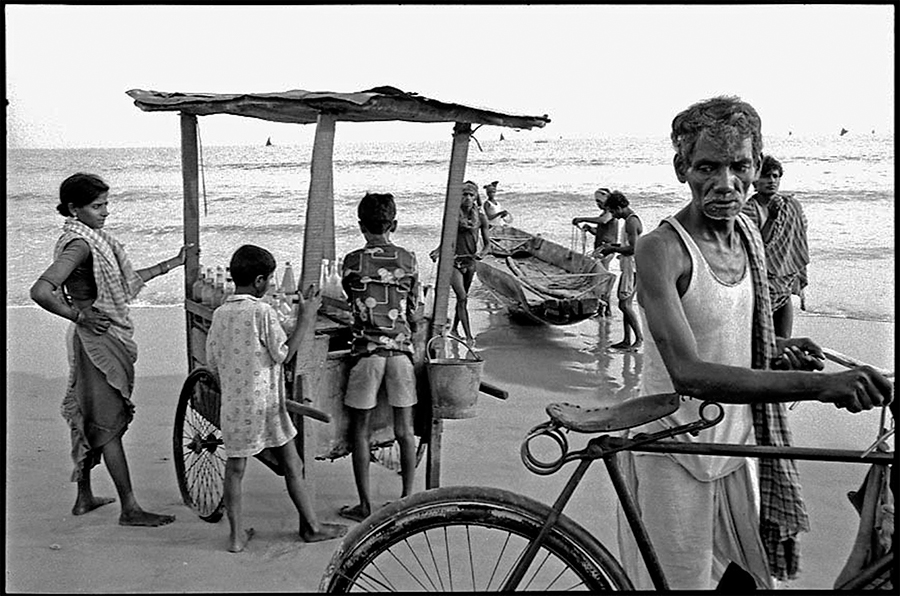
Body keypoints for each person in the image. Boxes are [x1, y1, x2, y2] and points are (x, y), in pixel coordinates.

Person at [616, 96, 892, 591]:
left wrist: (781, 345)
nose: (725, 184)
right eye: (707, 167)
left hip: (738, 444)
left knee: (754, 580)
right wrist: (820, 386)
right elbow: (691, 373)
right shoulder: (661, 249)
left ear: (757, 165)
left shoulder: (747, 231)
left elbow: (739, 328)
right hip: (676, 447)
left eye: (739, 166)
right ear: (682, 167)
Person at [30, 172, 186, 527]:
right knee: (109, 423)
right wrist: (78, 316)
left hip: (93, 338)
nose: (105, 212)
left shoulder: (90, 239)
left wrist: (172, 264)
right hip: (97, 342)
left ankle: (84, 498)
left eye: (106, 204)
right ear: (74, 208)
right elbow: (40, 291)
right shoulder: (81, 245)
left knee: (88, 415)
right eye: (97, 206)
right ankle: (130, 508)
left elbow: (124, 282)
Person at [206, 244, 347, 552]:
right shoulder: (262, 312)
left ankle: (236, 537)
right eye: (269, 279)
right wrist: (307, 317)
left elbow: (212, 363)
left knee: (235, 469)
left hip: (233, 408)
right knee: (293, 464)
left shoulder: (219, 314)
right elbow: (283, 353)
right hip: (267, 406)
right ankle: (312, 526)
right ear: (259, 281)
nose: (271, 284)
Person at [339, 192, 422, 522]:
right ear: (395, 225)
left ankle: (365, 504)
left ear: (361, 227)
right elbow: (415, 312)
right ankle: (408, 499)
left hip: (367, 354)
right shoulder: (409, 260)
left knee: (359, 431)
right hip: (400, 354)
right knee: (405, 429)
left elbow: (351, 301)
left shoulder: (352, 263)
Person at [742, 154, 809, 338]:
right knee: (760, 342)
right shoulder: (748, 209)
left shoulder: (791, 205)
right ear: (755, 181)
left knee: (784, 342)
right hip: (760, 285)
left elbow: (799, 236)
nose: (771, 180)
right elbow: (755, 248)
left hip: (784, 283)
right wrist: (771, 218)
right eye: (765, 176)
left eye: (775, 176)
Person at [430, 180, 490, 347]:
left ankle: (456, 328)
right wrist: (437, 251)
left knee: (462, 299)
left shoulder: (481, 218)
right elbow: (446, 239)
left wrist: (482, 254)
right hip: (454, 261)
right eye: (465, 194)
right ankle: (469, 337)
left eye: (471, 195)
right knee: (462, 297)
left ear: (476, 197)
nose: (468, 198)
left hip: (470, 261)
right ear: (459, 197)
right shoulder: (452, 216)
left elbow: (487, 244)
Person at [597, 191, 643, 350]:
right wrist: (611, 247)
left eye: (614, 211)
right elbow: (628, 245)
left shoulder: (631, 222)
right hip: (630, 266)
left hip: (633, 268)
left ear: (619, 207)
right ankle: (626, 339)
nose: (613, 216)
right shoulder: (629, 221)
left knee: (624, 304)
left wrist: (612, 250)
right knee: (626, 304)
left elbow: (633, 249)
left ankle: (638, 339)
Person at [572, 187, 619, 315]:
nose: (598, 204)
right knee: (601, 278)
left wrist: (583, 219)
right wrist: (590, 229)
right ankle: (604, 308)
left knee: (602, 279)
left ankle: (606, 308)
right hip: (602, 248)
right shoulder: (605, 213)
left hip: (606, 249)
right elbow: (601, 231)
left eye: (600, 201)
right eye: (596, 202)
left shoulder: (610, 212)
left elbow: (603, 221)